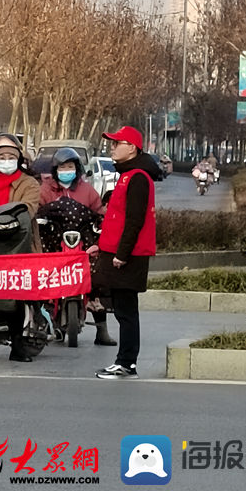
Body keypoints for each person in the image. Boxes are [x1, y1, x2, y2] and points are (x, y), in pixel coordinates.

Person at [92, 126, 159, 379]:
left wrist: (122, 253)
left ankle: (127, 363)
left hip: (129, 256)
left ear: (132, 147)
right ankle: (124, 361)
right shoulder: (128, 175)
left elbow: (134, 221)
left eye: (116, 143)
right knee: (122, 310)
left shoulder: (139, 177)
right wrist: (102, 245)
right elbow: (118, 219)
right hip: (118, 251)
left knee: (127, 311)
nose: (112, 147)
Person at [38, 147, 116, 347]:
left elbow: (99, 212)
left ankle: (101, 329)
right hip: (54, 243)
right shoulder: (45, 189)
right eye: (62, 167)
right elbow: (37, 212)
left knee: (96, 276)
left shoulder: (87, 190)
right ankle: (47, 322)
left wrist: (101, 227)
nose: (66, 171)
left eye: (70, 167)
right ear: (55, 170)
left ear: (77, 168)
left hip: (83, 243)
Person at [0, 134, 42, 362]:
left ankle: (18, 343)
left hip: (19, 245)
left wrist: (8, 219)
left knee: (15, 295)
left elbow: (28, 209)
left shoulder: (29, 184)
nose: (6, 160)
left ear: (19, 159)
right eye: (1, 157)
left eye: (10, 157)